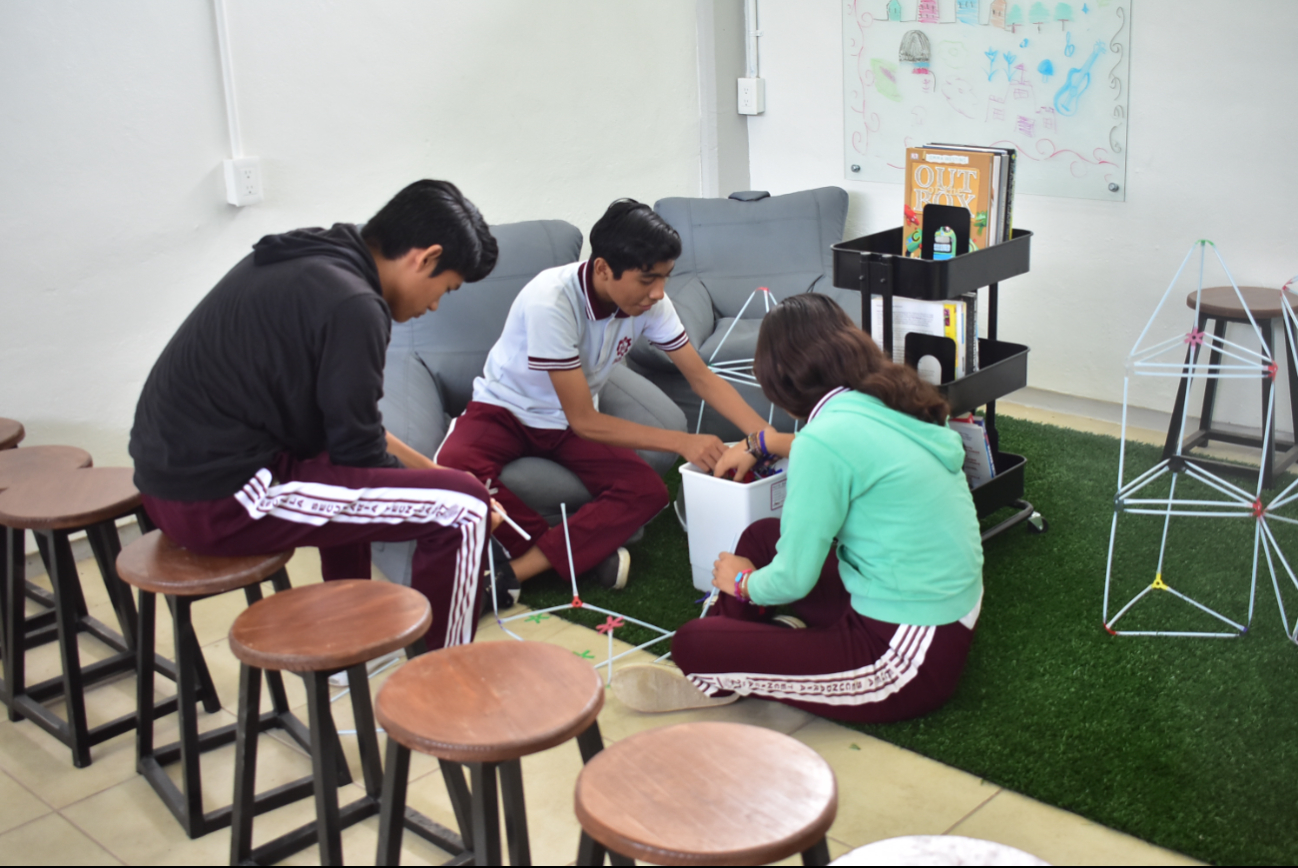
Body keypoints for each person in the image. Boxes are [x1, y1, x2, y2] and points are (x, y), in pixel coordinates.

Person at [129, 179, 503, 651]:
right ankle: (442, 679)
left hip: (174, 482)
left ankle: (348, 628)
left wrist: (433, 472)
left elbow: (354, 435)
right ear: (425, 257)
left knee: (394, 476)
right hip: (220, 498)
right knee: (464, 510)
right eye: (444, 290)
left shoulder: (316, 258)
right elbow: (360, 459)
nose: (433, 305)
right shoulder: (356, 306)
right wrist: (452, 491)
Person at [613, 293, 984, 723]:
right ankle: (753, 648)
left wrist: (742, 584)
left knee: (692, 643)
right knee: (760, 537)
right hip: (925, 609)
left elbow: (793, 578)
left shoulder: (822, 443)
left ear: (782, 383)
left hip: (905, 657)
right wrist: (761, 442)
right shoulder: (882, 401)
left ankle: (716, 667)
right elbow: (846, 449)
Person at [435, 199, 775, 605]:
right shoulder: (552, 301)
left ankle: (514, 572)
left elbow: (700, 377)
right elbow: (586, 422)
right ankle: (583, 555)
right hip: (505, 409)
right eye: (648, 279)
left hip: (566, 421)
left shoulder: (651, 302)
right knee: (452, 475)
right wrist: (682, 442)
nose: (658, 293)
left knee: (648, 492)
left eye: (665, 277)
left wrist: (767, 439)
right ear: (602, 269)